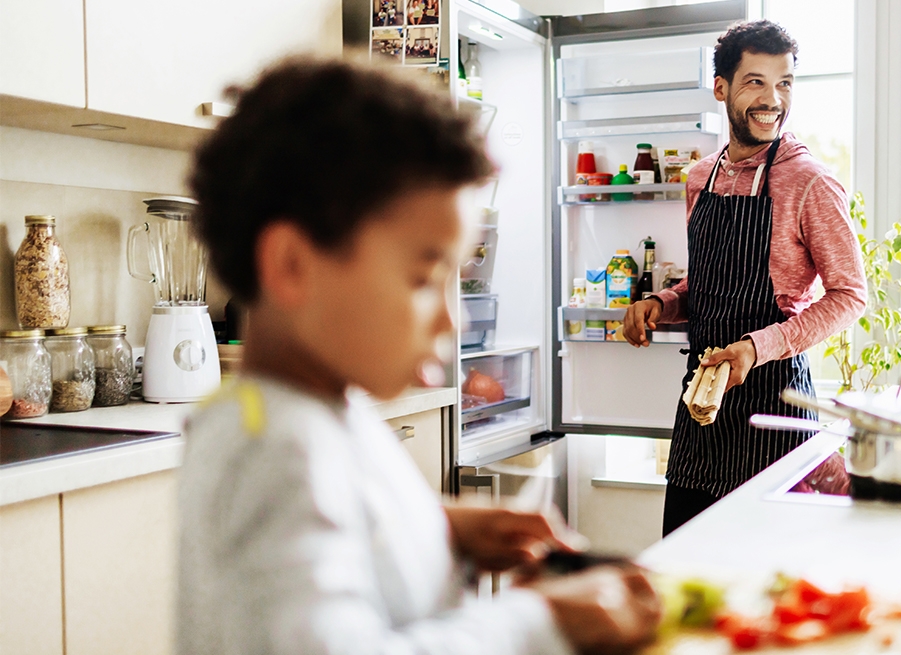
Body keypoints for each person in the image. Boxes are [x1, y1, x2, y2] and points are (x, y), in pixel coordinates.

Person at [179, 58, 661, 655]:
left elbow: (336, 524)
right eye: (423, 278)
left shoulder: (322, 409)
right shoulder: (269, 448)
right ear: (292, 266)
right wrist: (542, 619)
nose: (452, 318)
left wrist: (439, 527)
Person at [623, 20, 867, 536]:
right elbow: (706, 283)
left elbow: (850, 296)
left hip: (774, 412)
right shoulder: (699, 176)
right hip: (701, 406)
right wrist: (662, 303)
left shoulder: (810, 182)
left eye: (784, 84)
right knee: (683, 567)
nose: (773, 99)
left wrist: (757, 348)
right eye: (755, 81)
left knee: (766, 580)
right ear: (721, 89)